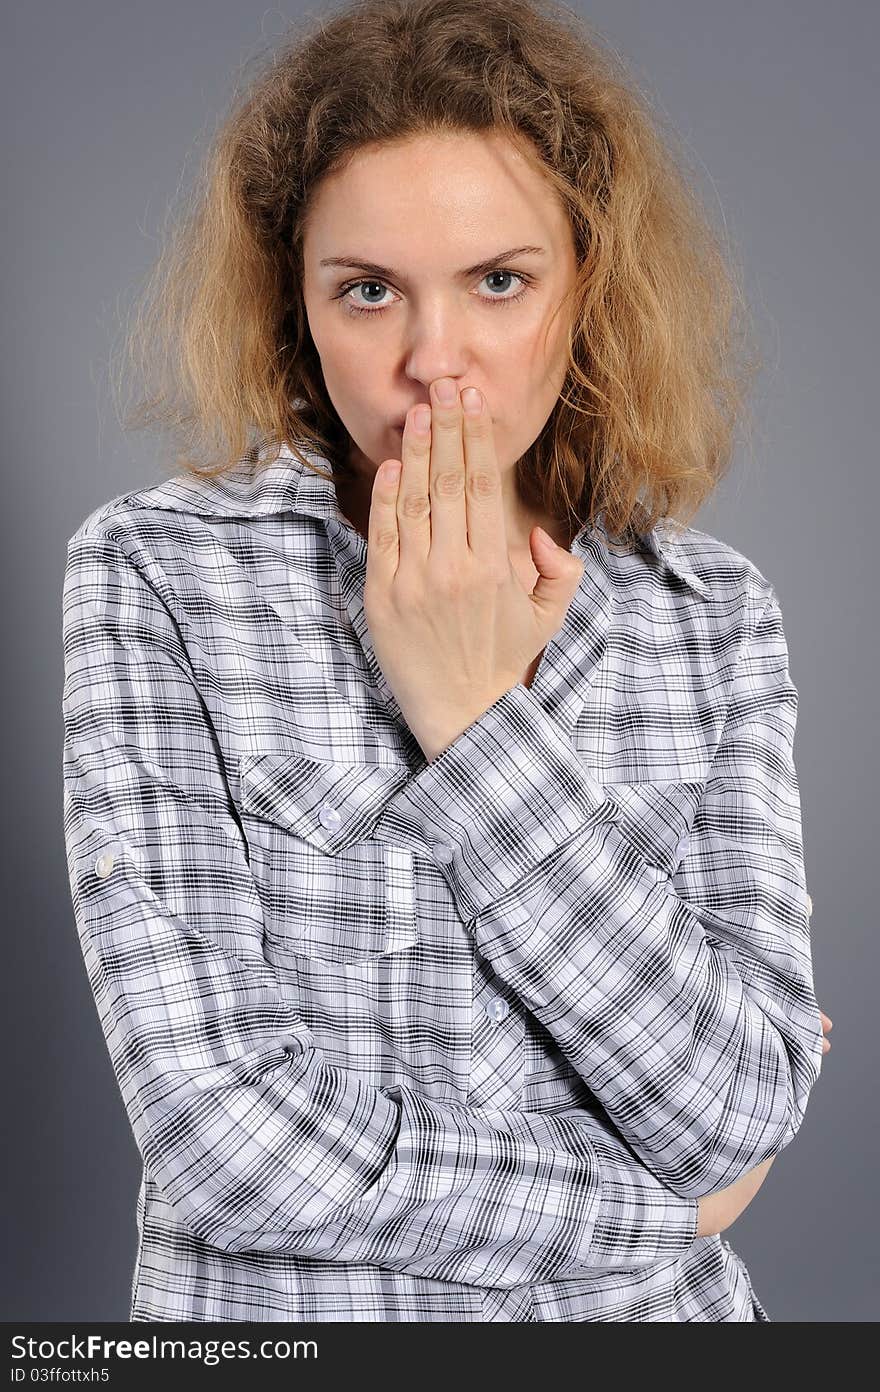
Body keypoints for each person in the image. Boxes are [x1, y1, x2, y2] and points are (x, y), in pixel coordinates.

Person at [62, 0, 832, 1322]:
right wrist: (657, 1209)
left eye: (499, 281)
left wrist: (477, 719)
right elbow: (225, 1145)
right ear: (296, 304)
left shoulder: (713, 616)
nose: (435, 363)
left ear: (586, 281)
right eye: (367, 291)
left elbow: (745, 1096)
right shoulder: (157, 578)